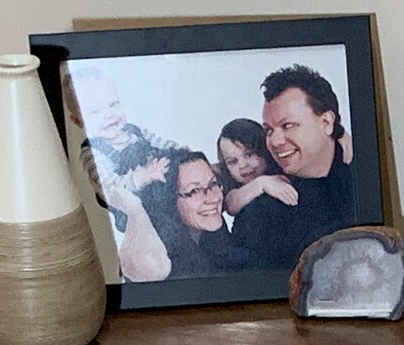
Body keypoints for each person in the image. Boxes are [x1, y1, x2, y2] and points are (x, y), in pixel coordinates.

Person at [238, 64, 358, 270]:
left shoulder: (366, 178)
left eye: (288, 126)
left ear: (326, 122)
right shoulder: (260, 212)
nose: (275, 141)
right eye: (269, 130)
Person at [64, 68, 182, 221]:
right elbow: (112, 191)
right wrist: (144, 176)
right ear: (78, 121)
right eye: (95, 112)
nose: (109, 114)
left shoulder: (137, 132)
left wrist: (186, 154)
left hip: (167, 196)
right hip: (138, 217)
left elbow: (165, 144)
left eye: (113, 104)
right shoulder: (92, 153)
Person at [152, 150, 252, 280]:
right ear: (170, 201)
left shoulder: (212, 234)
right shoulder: (161, 259)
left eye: (213, 184)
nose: (213, 198)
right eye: (194, 191)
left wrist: (262, 184)